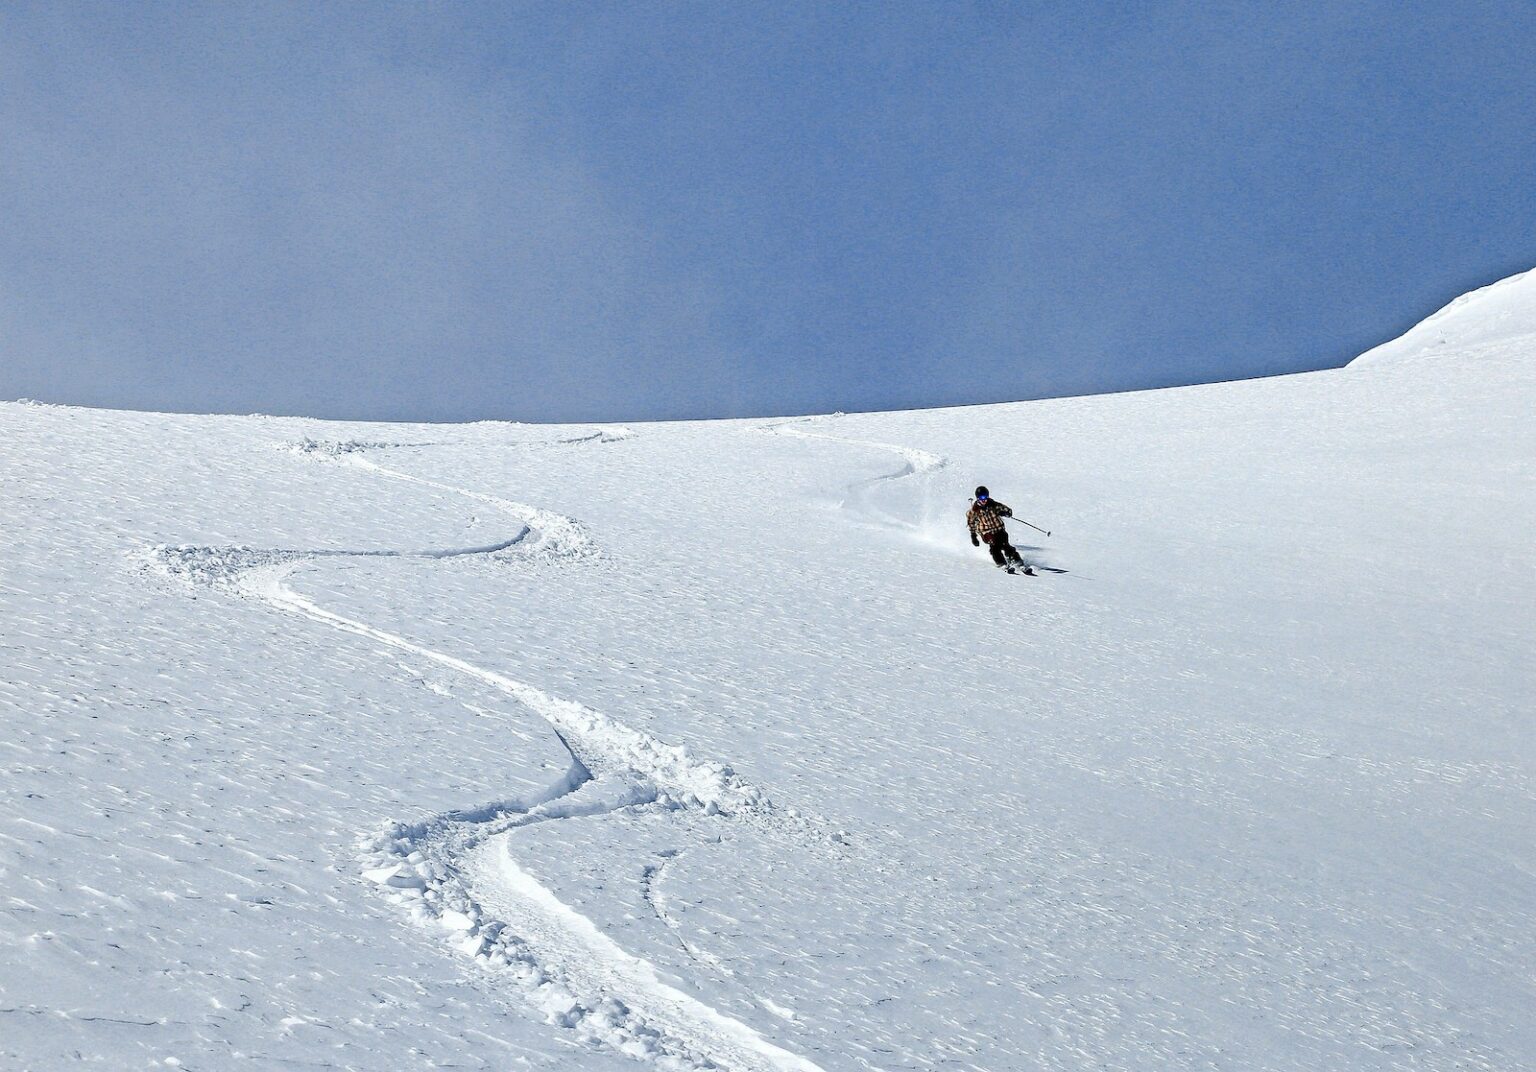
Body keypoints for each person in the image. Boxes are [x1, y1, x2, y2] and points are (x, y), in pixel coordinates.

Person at [967, 486, 1033, 574]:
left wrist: (1006, 512)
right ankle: (1001, 563)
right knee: (995, 547)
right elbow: (971, 523)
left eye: (986, 497)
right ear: (978, 498)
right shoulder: (974, 511)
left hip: (999, 529)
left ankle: (1018, 562)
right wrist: (973, 536)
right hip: (987, 532)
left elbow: (1007, 509)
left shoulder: (993, 504)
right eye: (982, 498)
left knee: (1006, 546)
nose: (984, 500)